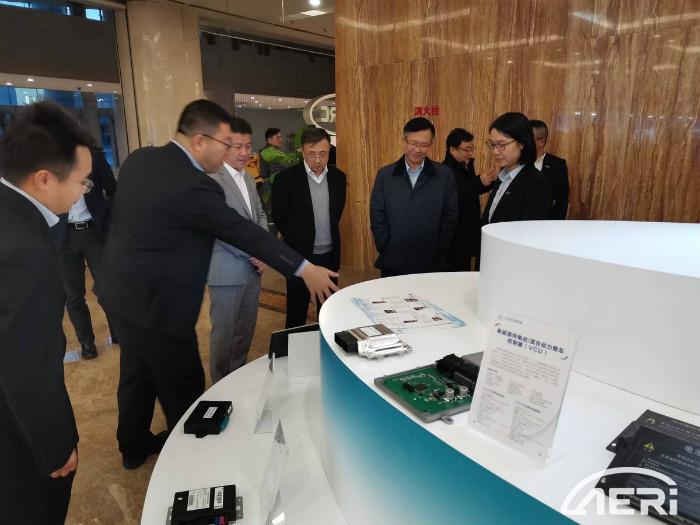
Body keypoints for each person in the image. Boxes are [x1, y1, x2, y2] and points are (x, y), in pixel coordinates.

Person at [95, 100, 338, 470]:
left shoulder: (140, 160)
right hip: (160, 305)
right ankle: (195, 467)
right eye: (225, 144)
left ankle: (133, 445)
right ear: (199, 141)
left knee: (136, 371)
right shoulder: (196, 185)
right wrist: (303, 268)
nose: (229, 152)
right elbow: (241, 231)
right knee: (185, 387)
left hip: (118, 291)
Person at [0, 101, 94, 524]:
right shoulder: (25, 251)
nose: (83, 191)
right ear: (43, 178)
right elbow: (26, 365)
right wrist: (54, 448)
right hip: (16, 439)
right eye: (81, 181)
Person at [206, 117, 268, 382]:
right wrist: (254, 252)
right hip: (226, 272)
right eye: (238, 147)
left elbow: (260, 215)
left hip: (252, 271)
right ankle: (219, 385)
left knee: (244, 331)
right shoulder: (211, 180)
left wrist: (264, 250)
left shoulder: (250, 180)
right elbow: (219, 228)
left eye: (248, 146)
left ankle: (237, 379)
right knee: (224, 334)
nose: (245, 153)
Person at [273, 127, 347, 327]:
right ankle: (293, 347)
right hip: (299, 257)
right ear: (302, 151)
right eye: (312, 154)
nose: (318, 160)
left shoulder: (338, 178)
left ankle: (325, 345)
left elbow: (336, 213)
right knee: (296, 313)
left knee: (328, 312)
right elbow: (279, 217)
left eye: (323, 154)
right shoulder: (285, 179)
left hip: (329, 256)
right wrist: (298, 239)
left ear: (329, 151)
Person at [370, 117, 458, 277]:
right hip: (393, 260)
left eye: (424, 145)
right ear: (404, 141)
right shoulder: (385, 175)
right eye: (413, 143)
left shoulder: (444, 175)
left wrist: (441, 247)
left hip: (431, 262)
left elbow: (450, 216)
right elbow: (377, 215)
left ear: (431, 144)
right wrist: (384, 244)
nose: (418, 149)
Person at [54, 146, 117, 359]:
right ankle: (86, 342)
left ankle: (118, 333)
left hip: (94, 232)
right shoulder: (48, 160)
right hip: (64, 236)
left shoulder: (93, 156)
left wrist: (108, 220)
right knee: (73, 296)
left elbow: (113, 189)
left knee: (107, 288)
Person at [482, 112, 551, 226]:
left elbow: (531, 231)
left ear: (521, 143)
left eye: (502, 145)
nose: (495, 152)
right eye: (493, 145)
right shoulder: (502, 175)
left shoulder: (536, 182)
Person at [442, 128, 497, 271]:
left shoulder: (466, 165)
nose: (471, 153)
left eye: (472, 149)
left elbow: (472, 190)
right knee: (454, 272)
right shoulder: (445, 171)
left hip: (467, 230)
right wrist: (479, 181)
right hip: (455, 235)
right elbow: (456, 196)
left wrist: (486, 182)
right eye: (467, 149)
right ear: (452, 149)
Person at [258, 127, 301, 232]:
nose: (280, 139)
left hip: (273, 188)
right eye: (278, 137)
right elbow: (275, 170)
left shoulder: (275, 151)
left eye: (281, 137)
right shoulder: (268, 152)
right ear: (269, 139)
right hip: (270, 189)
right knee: (272, 219)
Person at [531, 119, 569, 219]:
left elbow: (562, 202)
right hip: (517, 224)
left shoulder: (558, 165)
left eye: (528, 139)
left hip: (546, 222)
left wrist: (554, 225)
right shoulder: (515, 162)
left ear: (541, 142)